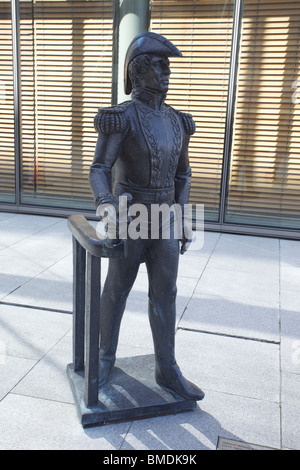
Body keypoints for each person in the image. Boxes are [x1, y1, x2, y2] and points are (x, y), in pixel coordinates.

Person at [89, 32, 204, 401]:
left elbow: (183, 173)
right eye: (158, 65)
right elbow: (99, 168)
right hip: (131, 212)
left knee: (165, 292)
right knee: (118, 288)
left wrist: (184, 214)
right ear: (138, 73)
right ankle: (105, 357)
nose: (166, 71)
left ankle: (167, 369)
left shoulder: (177, 121)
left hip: (167, 215)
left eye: (166, 65)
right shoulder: (121, 118)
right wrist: (106, 203)